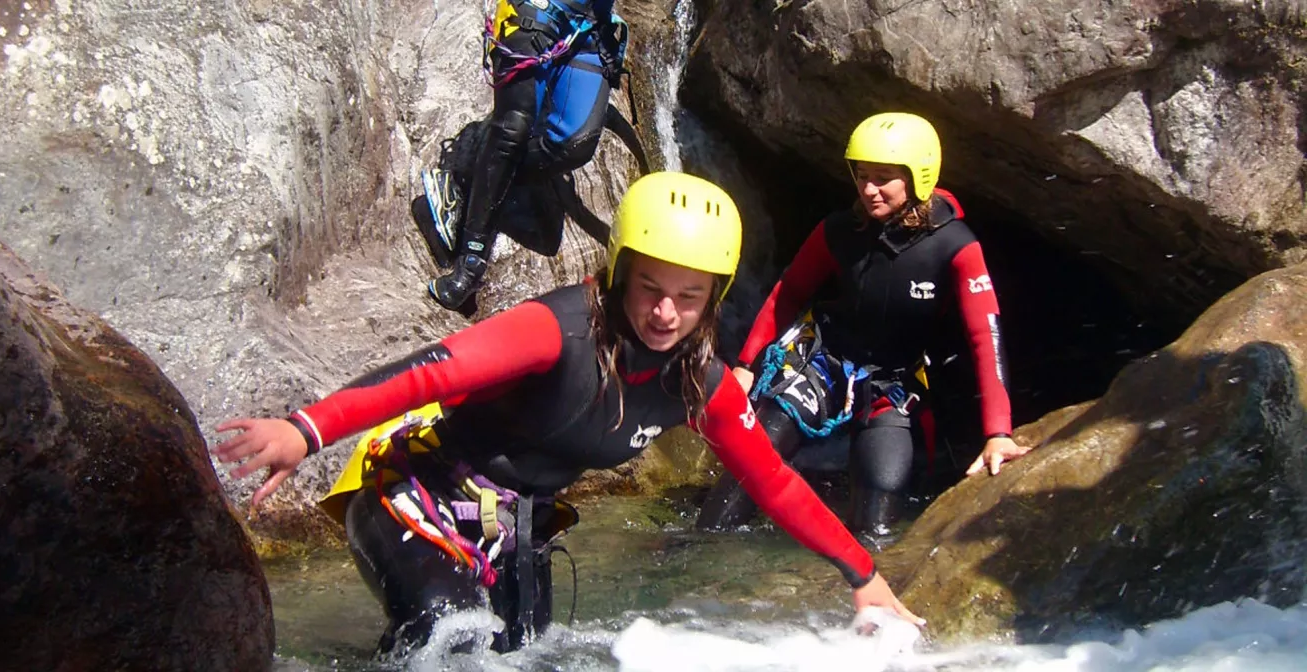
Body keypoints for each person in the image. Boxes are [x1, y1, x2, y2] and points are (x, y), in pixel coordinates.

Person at [214, 172, 925, 654]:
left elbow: (774, 482)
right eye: (648, 287)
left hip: (516, 530)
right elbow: (428, 373)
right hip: (417, 501)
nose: (665, 313)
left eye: (689, 295)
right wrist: (304, 431)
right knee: (445, 635)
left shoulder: (700, 384)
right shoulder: (558, 329)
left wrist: (864, 575)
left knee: (526, 658)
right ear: (618, 270)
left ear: (715, 296)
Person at [725, 112, 1032, 540]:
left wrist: (997, 432)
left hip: (895, 383)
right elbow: (787, 294)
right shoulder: (839, 231)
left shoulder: (955, 246)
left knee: (879, 517)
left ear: (917, 178)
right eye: (862, 176)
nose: (868, 190)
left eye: (883, 178)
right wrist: (746, 366)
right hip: (823, 367)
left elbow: (986, 336)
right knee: (748, 461)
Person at [425, 0, 628, 310]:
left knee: (576, 144)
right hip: (539, 8)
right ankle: (471, 259)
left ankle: (476, 176)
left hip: (591, 26)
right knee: (513, 127)